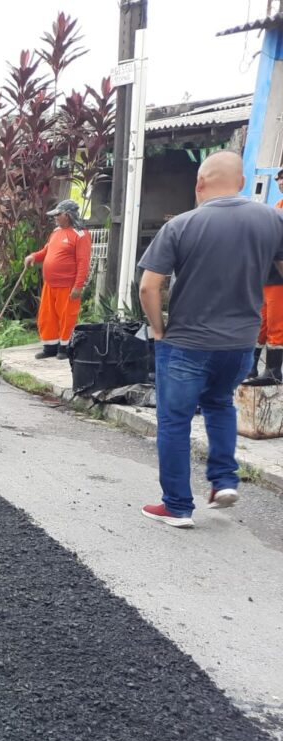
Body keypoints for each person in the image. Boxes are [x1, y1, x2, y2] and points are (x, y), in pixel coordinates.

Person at [137, 150, 283, 527]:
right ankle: (223, 480)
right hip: (240, 344)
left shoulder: (181, 225)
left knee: (175, 421)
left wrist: (158, 329)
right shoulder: (273, 220)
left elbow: (149, 287)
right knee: (219, 405)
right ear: (243, 183)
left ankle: (177, 506)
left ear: (199, 184)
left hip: (187, 342)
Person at [24, 198, 92, 360]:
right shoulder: (55, 232)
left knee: (67, 317)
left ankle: (65, 348)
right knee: (47, 316)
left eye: (58, 214)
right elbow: (46, 251)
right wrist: (34, 256)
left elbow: (83, 262)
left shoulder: (81, 235)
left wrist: (78, 286)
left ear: (67, 216)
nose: (55, 217)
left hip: (68, 285)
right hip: (50, 284)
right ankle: (50, 347)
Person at [244, 169, 283, 385]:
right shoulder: (276, 208)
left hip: (280, 278)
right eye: (279, 177)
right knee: (261, 322)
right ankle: (250, 367)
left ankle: (274, 371)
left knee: (277, 323)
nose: (280, 181)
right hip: (267, 275)